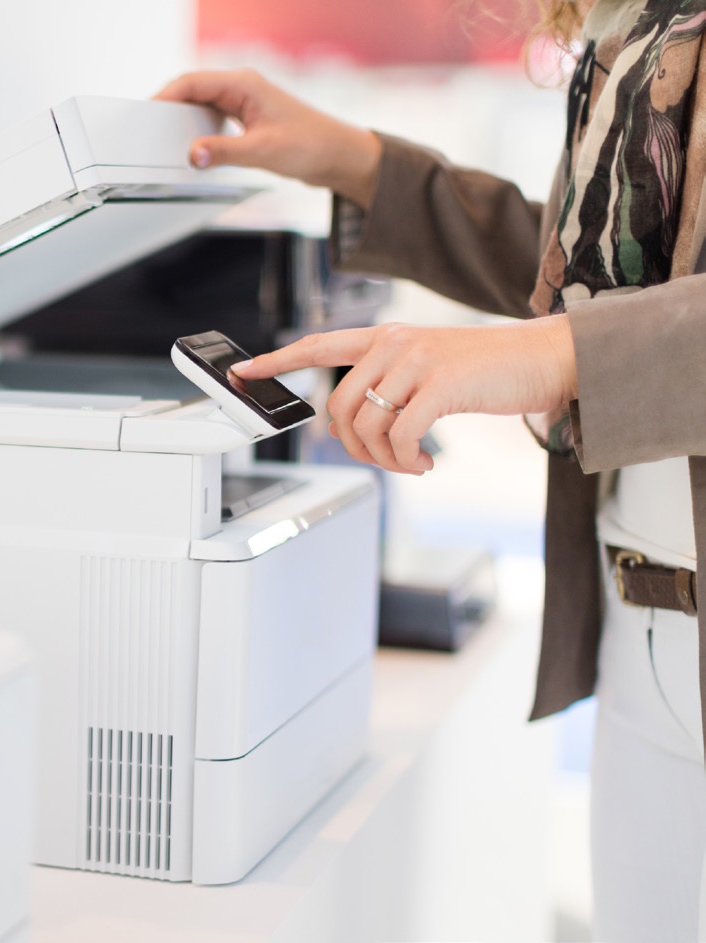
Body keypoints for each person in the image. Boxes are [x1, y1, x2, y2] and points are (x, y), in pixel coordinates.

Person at [158, 1, 706, 940]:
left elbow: (587, 322)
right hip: (637, 621)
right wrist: (355, 161)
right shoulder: (635, 15)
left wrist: (548, 358)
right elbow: (605, 265)